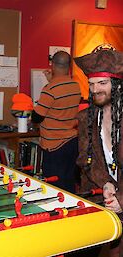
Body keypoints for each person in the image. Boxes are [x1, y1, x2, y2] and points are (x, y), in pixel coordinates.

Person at [74, 45, 123, 257]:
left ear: (118, 85)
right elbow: (86, 160)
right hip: (104, 198)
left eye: (102, 83)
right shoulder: (86, 118)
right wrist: (106, 184)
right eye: (91, 84)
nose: (95, 90)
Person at [31, 51, 81, 193]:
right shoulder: (75, 86)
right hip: (72, 142)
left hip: (54, 146)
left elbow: (37, 117)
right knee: (68, 182)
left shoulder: (50, 89)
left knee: (53, 186)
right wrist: (51, 81)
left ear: (52, 65)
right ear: (69, 66)